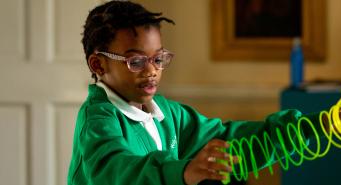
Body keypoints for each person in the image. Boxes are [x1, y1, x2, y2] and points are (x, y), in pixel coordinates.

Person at [67, 1, 324, 185]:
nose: (152, 71)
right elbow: (120, 172)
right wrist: (184, 171)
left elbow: (229, 140)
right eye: (136, 62)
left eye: (158, 59)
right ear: (99, 65)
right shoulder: (98, 120)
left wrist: (318, 126)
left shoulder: (168, 115)